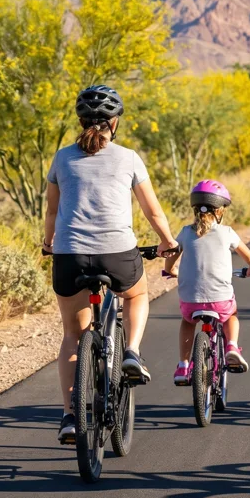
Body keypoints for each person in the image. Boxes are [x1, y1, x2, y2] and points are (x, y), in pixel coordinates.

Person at [44, 85, 179, 444]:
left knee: (73, 335)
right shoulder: (129, 158)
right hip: (118, 254)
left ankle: (71, 417)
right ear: (114, 122)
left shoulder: (61, 158)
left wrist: (48, 242)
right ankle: (131, 351)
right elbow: (153, 210)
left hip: (70, 256)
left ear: (81, 120)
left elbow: (52, 211)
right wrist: (167, 242)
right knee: (136, 295)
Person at [163, 180, 250, 385]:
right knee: (231, 315)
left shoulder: (184, 232)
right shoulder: (227, 233)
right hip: (220, 300)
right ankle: (232, 347)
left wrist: (170, 271)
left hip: (191, 301)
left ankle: (183, 366)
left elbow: (170, 259)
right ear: (219, 211)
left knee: (188, 321)